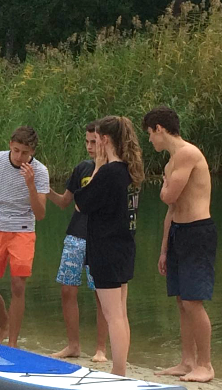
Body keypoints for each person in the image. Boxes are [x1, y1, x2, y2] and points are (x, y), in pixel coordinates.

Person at [143, 106, 216, 383]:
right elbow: (171, 209)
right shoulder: (170, 164)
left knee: (192, 300)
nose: (150, 139)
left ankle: (205, 365)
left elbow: (168, 195)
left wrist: (163, 188)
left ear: (159, 129)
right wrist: (163, 249)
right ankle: (187, 361)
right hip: (178, 231)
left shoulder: (187, 153)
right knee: (181, 299)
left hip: (198, 231)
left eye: (150, 133)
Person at [73, 116, 144, 376]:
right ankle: (120, 367)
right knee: (120, 313)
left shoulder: (109, 172)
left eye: (97, 139)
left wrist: (98, 168)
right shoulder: (129, 170)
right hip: (125, 245)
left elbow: (81, 203)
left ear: (105, 140)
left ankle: (119, 370)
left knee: (113, 314)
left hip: (106, 248)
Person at [0, 126, 50, 348]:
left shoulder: (40, 171)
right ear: (10, 145)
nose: (18, 157)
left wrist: (31, 185)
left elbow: (40, 214)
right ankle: (4, 324)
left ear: (32, 151)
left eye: (24, 153)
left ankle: (12, 343)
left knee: (18, 285)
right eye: (15, 150)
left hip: (23, 230)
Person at [47, 122, 109, 362]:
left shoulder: (113, 169)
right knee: (67, 289)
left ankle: (101, 348)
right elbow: (65, 202)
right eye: (87, 142)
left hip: (99, 237)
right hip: (75, 233)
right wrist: (44, 189)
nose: (90, 146)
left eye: (94, 142)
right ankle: (73, 345)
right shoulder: (82, 168)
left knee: (101, 293)